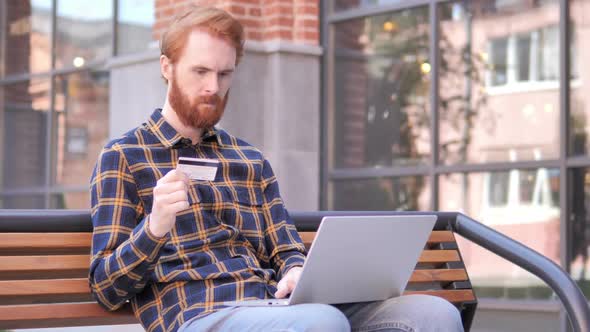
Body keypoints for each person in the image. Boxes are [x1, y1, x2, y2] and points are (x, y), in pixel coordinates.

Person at [89, 5, 464, 332]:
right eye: (200, 71)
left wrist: (296, 272)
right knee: (321, 322)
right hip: (198, 314)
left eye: (224, 74)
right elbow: (107, 288)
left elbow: (285, 247)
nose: (212, 87)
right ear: (167, 68)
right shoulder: (125, 156)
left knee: (433, 314)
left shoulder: (249, 160)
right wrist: (154, 228)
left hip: (271, 307)